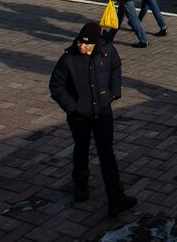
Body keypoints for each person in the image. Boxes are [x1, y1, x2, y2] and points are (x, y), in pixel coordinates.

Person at [48, 21, 138, 212]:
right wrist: (72, 107)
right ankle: (80, 183)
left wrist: (113, 93)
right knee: (81, 147)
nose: (82, 46)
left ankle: (115, 196)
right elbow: (56, 86)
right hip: (79, 115)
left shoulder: (107, 51)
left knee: (106, 151)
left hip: (102, 111)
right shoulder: (68, 59)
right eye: (81, 41)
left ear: (96, 43)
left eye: (87, 43)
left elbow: (116, 69)